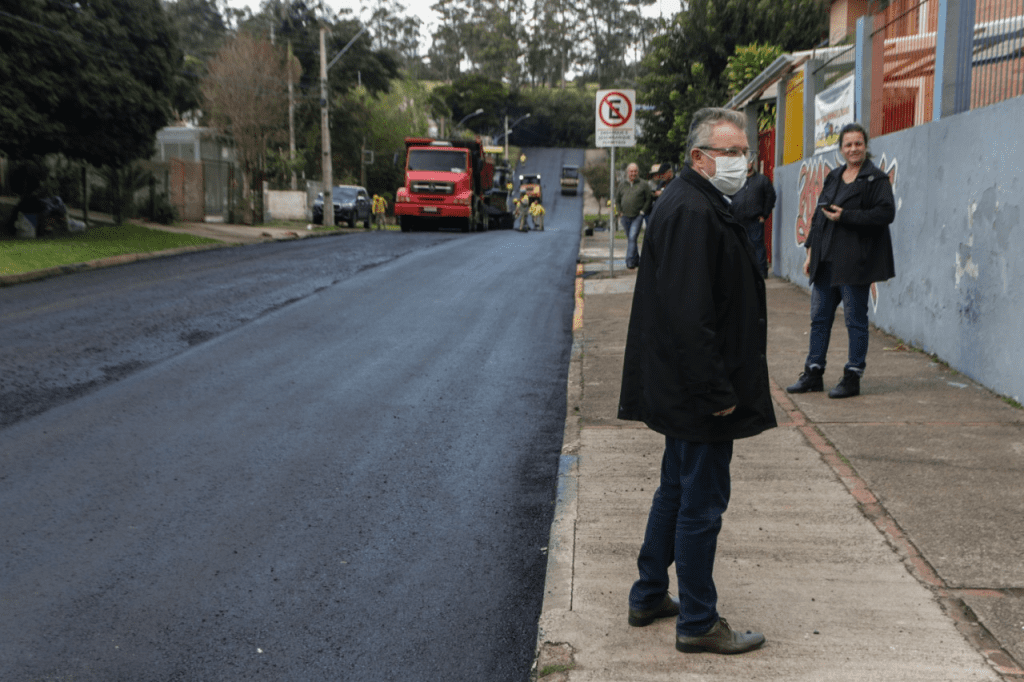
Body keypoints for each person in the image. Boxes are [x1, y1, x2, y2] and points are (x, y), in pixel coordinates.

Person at [618, 107, 775, 655]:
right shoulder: (693, 210)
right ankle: (699, 622)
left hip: (683, 388)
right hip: (698, 393)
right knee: (701, 504)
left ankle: (649, 594)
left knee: (676, 490)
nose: (742, 163)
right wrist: (716, 394)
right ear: (699, 157)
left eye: (745, 154)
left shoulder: (697, 202)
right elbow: (691, 314)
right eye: (731, 153)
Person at [785, 121, 895, 399]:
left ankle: (853, 375)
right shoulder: (834, 176)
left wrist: (846, 216)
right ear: (841, 149)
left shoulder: (875, 179)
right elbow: (819, 216)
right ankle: (813, 372)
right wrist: (811, 252)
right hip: (826, 260)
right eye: (848, 144)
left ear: (865, 146)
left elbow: (885, 214)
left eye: (858, 143)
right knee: (819, 319)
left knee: (855, 320)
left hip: (855, 262)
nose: (853, 148)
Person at [729, 155, 776, 277]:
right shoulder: (736, 181)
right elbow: (728, 197)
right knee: (739, 247)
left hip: (755, 220)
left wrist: (764, 215)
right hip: (738, 220)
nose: (745, 165)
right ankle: (742, 273)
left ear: (752, 164)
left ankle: (761, 272)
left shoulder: (762, 180)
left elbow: (771, 197)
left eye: (747, 163)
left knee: (757, 246)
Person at [614, 163, 653, 269]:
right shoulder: (622, 185)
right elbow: (617, 200)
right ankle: (637, 260)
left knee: (632, 237)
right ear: (627, 172)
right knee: (631, 239)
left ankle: (629, 260)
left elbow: (649, 199)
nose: (633, 173)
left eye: (635, 171)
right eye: (631, 171)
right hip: (625, 216)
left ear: (638, 172)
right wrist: (619, 211)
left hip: (637, 216)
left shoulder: (643, 184)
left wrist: (643, 211)